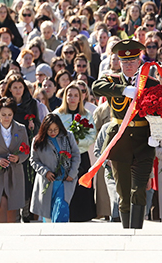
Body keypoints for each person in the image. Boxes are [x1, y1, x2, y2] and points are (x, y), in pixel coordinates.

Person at [90, 40, 159, 229]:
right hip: (120, 140)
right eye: (124, 62)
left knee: (139, 190)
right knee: (123, 192)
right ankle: (127, 231)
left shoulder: (150, 83)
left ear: (139, 62)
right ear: (119, 63)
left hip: (144, 140)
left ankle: (136, 229)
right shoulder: (111, 81)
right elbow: (96, 87)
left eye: (132, 61)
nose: (128, 65)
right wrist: (123, 90)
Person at [0, 97, 30, 223]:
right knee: (0, 204)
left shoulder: (21, 129)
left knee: (12, 208)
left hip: (15, 173)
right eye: (3, 115)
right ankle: (0, 234)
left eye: (9, 115)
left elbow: (26, 151)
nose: (6, 118)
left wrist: (18, 158)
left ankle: (11, 237)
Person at [54, 83, 96, 222]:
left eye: (76, 95)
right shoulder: (57, 115)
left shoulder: (87, 115)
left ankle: (83, 217)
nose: (72, 98)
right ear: (65, 97)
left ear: (80, 98)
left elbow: (91, 136)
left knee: (82, 187)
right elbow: (51, 134)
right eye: (69, 95)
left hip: (81, 156)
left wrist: (78, 143)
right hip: (62, 157)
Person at [30, 114, 81, 223]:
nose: (53, 132)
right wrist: (45, 172)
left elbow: (76, 155)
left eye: (55, 129)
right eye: (49, 130)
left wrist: (72, 173)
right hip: (47, 182)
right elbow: (34, 160)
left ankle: (60, 234)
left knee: (61, 206)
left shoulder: (68, 136)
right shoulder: (37, 141)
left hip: (65, 181)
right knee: (48, 215)